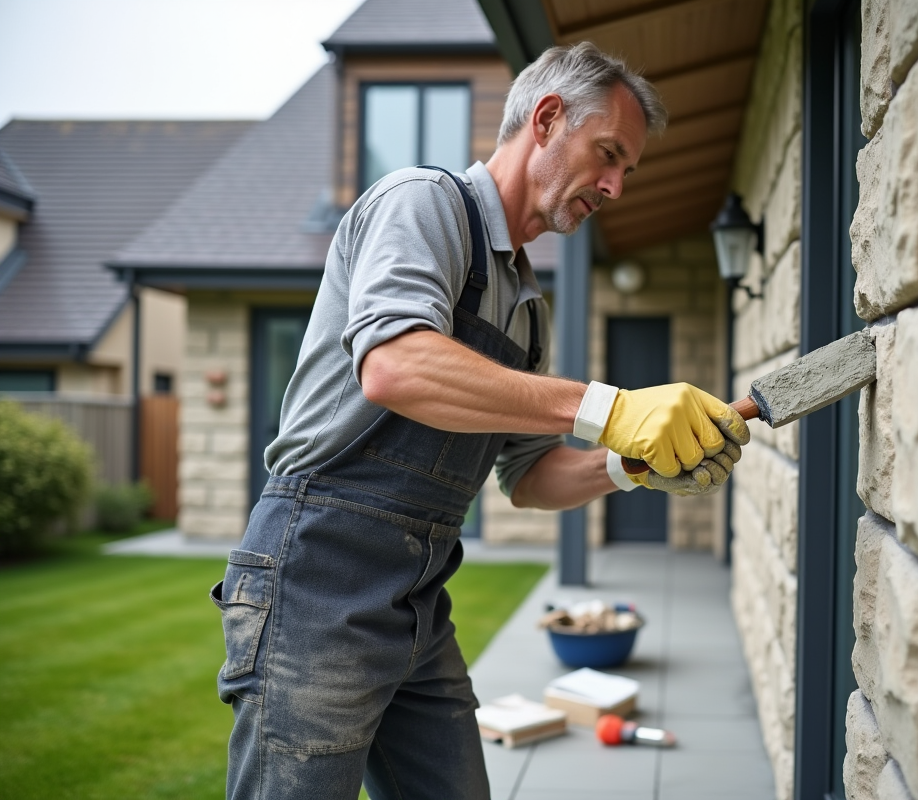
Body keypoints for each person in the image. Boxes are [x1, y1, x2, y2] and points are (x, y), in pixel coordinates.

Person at [212, 42, 751, 800]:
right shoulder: (425, 204)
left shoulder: (528, 312)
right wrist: (610, 409)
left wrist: (633, 463)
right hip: (317, 571)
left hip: (419, 596)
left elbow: (529, 479)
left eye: (627, 170)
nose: (616, 187)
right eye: (608, 155)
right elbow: (396, 366)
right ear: (547, 118)